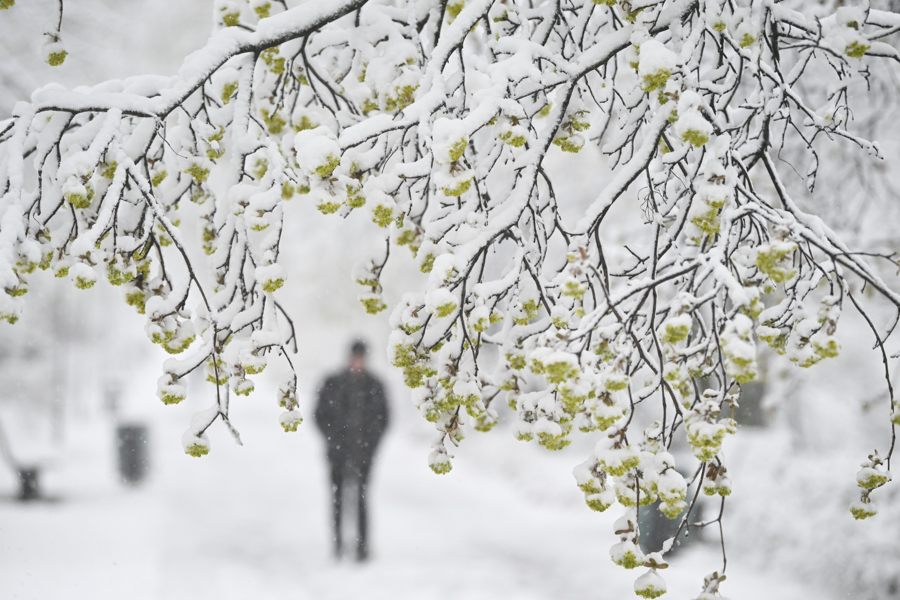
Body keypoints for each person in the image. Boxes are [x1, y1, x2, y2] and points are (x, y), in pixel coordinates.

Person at [314, 340, 390, 562]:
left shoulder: (375, 385)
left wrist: (370, 445)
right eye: (355, 357)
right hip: (337, 453)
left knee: (362, 499)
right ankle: (337, 544)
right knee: (338, 498)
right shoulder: (333, 383)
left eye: (361, 357)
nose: (358, 361)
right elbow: (320, 415)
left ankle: (362, 547)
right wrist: (333, 439)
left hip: (364, 454)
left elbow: (383, 420)